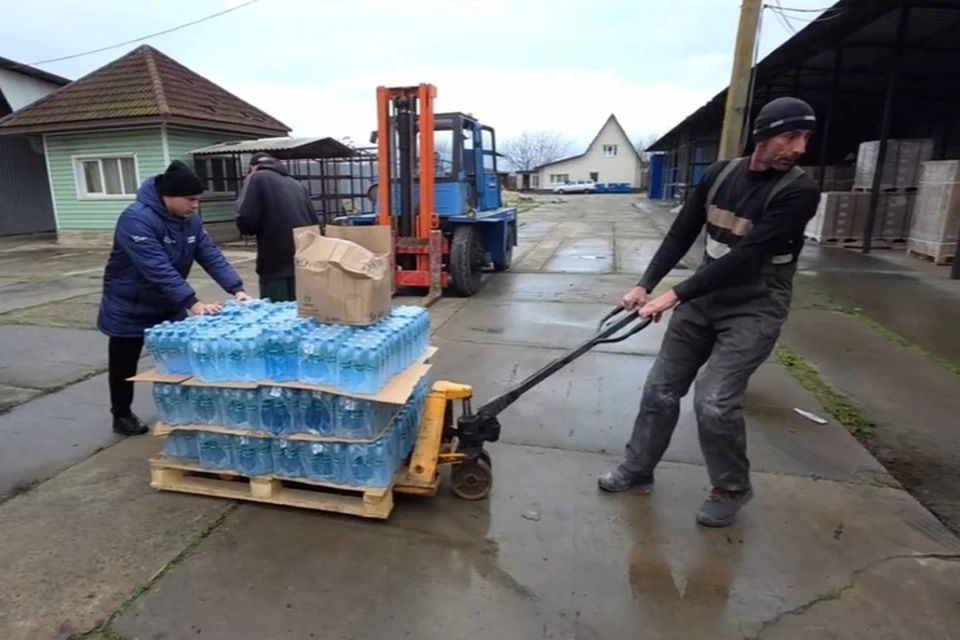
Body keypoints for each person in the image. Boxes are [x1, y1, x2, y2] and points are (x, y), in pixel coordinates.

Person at [597, 97, 822, 528]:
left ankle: (731, 487)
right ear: (762, 135)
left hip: (756, 302)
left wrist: (673, 295)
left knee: (715, 401)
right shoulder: (719, 175)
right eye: (790, 136)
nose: (799, 147)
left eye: (805, 138)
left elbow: (748, 258)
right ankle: (638, 466)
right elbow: (683, 231)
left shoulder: (798, 191)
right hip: (704, 296)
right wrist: (645, 283)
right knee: (661, 388)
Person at [97, 160, 252, 436]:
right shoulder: (137, 219)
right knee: (124, 362)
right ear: (168, 196)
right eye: (190, 199)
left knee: (179, 359)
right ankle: (121, 414)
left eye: (198, 200)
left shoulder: (188, 219)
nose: (195, 205)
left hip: (169, 302)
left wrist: (236, 289)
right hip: (130, 302)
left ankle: (183, 410)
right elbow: (156, 267)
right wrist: (193, 303)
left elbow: (209, 253)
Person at [235, 152, 321, 302]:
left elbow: (246, 220)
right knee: (299, 314)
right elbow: (315, 222)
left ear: (252, 167)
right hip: (303, 262)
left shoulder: (256, 177)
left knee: (275, 316)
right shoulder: (296, 184)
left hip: (275, 264)